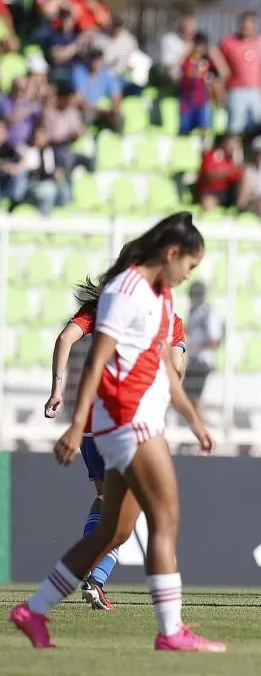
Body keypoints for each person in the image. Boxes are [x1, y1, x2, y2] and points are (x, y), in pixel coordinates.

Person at [9, 212, 225, 652]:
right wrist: (75, 423)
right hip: (129, 420)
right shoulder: (125, 290)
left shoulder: (161, 298)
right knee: (165, 518)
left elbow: (164, 366)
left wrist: (193, 417)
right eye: (190, 265)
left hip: (138, 419)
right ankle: (170, 631)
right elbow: (95, 358)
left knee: (114, 531)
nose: (189, 275)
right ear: (171, 253)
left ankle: (34, 610)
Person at [44, 256, 186, 611]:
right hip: (127, 422)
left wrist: (57, 390)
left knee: (109, 500)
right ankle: (91, 575)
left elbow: (65, 339)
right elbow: (177, 368)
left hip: (92, 420)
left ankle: (75, 581)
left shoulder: (104, 307)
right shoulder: (164, 317)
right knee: (134, 511)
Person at [219, 11, 261, 134]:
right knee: (236, 124)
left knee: (259, 123)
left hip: (256, 89)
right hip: (236, 89)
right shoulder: (228, 42)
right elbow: (215, 55)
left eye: (251, 26)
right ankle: (235, 151)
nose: (247, 29)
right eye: (245, 25)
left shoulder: (260, 42)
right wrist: (223, 73)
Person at [181, 281, 220, 409]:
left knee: (194, 395)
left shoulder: (209, 314)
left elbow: (215, 341)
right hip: (193, 359)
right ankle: (199, 421)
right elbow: (190, 330)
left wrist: (196, 346)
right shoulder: (192, 312)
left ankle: (200, 422)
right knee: (187, 393)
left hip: (203, 360)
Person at [72, 48, 122, 132]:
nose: (95, 63)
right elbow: (79, 100)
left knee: (118, 117)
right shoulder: (79, 72)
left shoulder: (108, 73)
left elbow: (116, 96)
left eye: (98, 60)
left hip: (105, 110)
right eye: (93, 59)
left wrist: (114, 109)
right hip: (89, 110)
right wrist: (99, 110)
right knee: (85, 116)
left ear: (102, 61)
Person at [196, 133, 244, 211]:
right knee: (208, 202)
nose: (236, 146)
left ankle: (240, 210)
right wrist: (229, 171)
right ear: (225, 141)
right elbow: (209, 175)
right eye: (234, 142)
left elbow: (238, 177)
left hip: (227, 192)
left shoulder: (233, 160)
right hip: (210, 191)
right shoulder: (212, 155)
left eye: (238, 143)